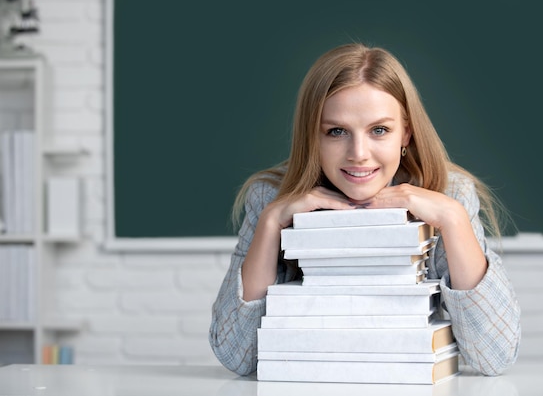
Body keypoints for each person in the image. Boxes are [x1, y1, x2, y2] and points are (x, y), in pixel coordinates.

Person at [209, 43, 521, 376]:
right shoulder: (270, 197)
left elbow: (496, 357)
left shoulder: (448, 195)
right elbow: (236, 356)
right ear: (312, 138)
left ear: (406, 134)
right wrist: (271, 223)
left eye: (379, 130)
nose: (358, 153)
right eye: (336, 131)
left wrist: (454, 218)